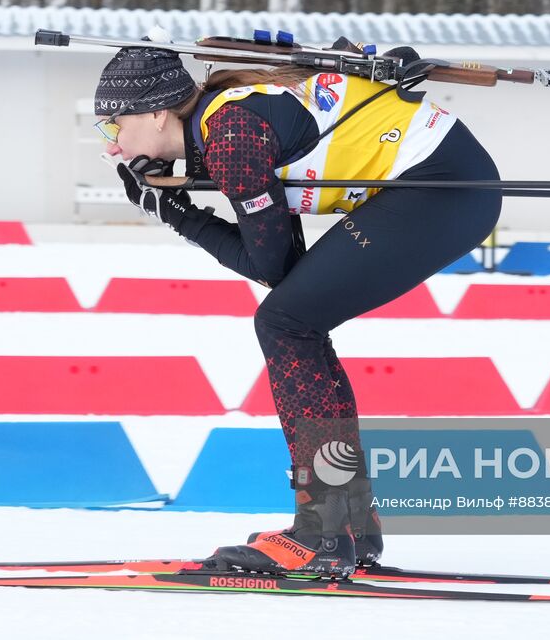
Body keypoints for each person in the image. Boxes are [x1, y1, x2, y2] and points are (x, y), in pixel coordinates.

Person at [92, 42, 500, 578]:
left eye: (113, 125)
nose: (113, 143)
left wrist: (179, 215)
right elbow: (286, 267)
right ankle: (346, 522)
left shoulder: (232, 135)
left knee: (284, 321)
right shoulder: (226, 116)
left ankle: (324, 532)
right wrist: (180, 199)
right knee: (296, 318)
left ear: (157, 113)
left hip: (441, 189)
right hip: (442, 184)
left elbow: (269, 266)